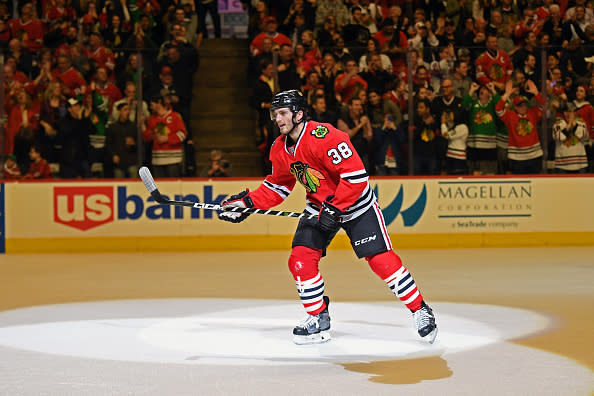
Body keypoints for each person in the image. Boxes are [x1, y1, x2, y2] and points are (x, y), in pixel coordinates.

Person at [217, 89, 437, 345]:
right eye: (275, 114)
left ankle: (421, 310)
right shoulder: (279, 148)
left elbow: (355, 177)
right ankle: (318, 317)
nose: (278, 119)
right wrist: (246, 203)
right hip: (319, 208)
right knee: (300, 259)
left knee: (381, 261)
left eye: (283, 113)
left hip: (356, 205)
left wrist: (336, 208)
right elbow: (277, 188)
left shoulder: (325, 136)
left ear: (298, 114)